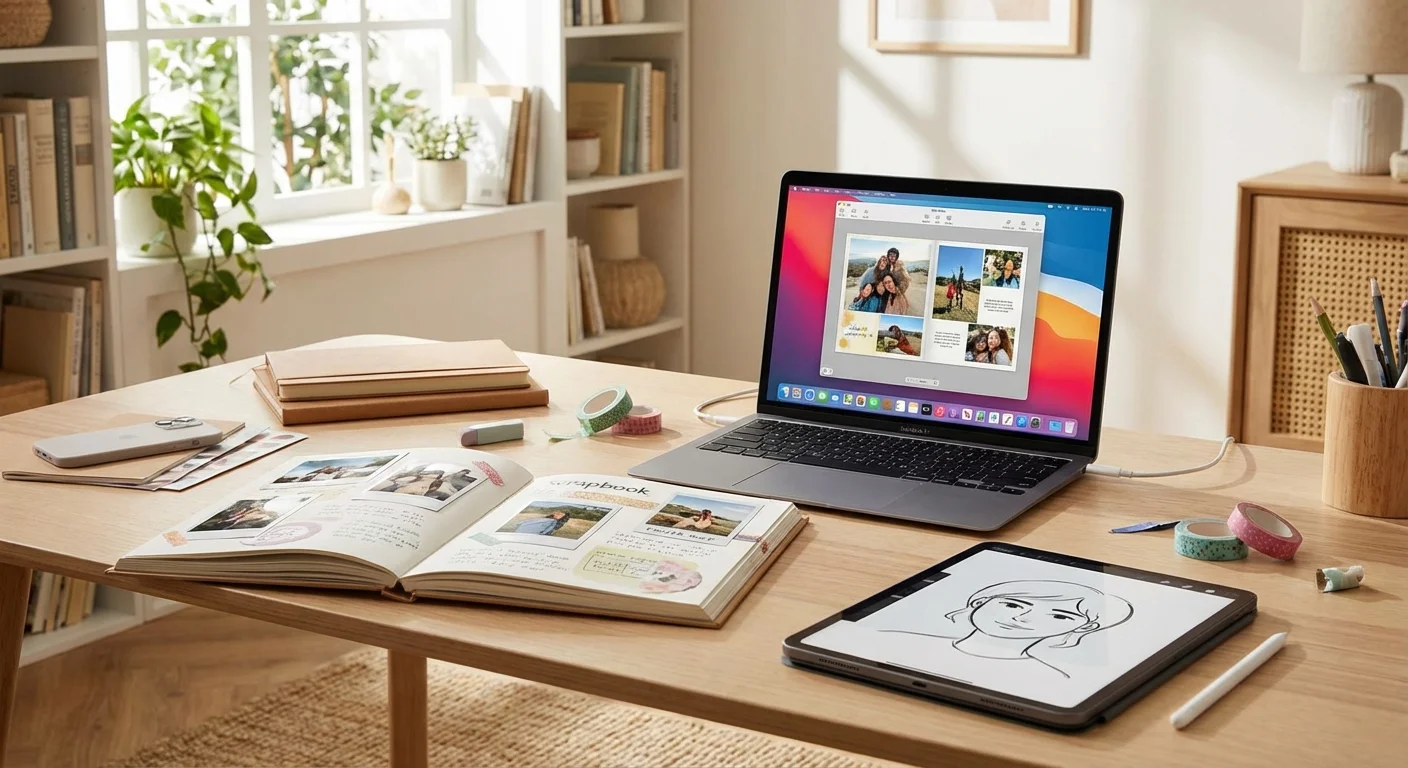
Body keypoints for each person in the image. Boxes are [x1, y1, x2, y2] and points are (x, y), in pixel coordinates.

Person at [872, 580, 1134, 680]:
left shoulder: (1052, 680)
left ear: (1085, 627)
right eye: (1012, 604)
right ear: (980, 603)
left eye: (1059, 615)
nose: (1021, 617)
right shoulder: (894, 642)